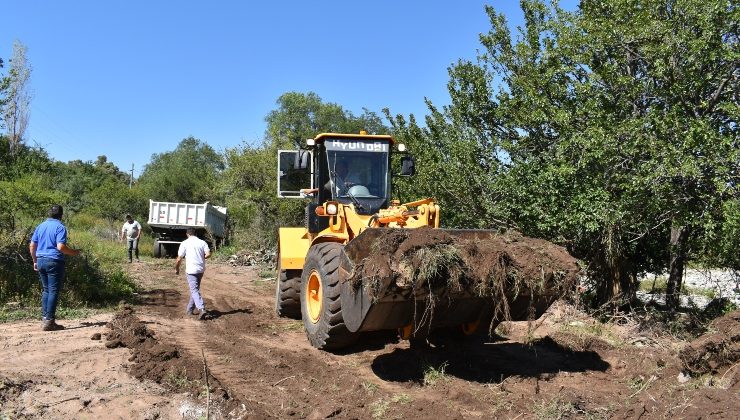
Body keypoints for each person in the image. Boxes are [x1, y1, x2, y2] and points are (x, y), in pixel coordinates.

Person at [29, 204, 81, 331]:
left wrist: (35, 260)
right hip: (54, 261)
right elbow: (61, 247)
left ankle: (45, 319)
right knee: (53, 291)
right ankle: (50, 322)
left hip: (40, 260)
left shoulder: (40, 226)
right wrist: (75, 252)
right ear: (61, 215)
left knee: (46, 290)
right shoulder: (60, 227)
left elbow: (32, 245)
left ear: (49, 214)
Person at [175, 228, 211, 320]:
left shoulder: (185, 243)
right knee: (195, 289)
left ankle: (202, 309)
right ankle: (189, 309)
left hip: (191, 270)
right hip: (201, 269)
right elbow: (208, 254)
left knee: (194, 290)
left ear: (187, 234)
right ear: (196, 234)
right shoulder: (202, 242)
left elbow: (179, 259)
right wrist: (202, 258)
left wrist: (177, 268)